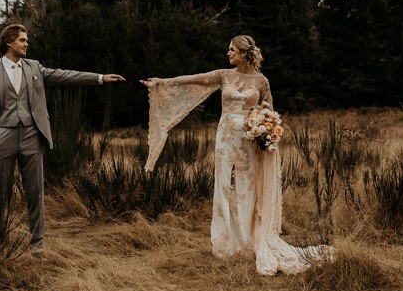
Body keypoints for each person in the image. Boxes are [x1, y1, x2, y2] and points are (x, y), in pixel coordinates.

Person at [139, 34, 333, 275]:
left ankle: (246, 238)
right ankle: (225, 242)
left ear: (243, 53)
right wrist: (160, 82)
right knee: (223, 186)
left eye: (231, 50)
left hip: (249, 140)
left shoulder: (262, 81)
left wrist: (266, 131)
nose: (228, 53)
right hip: (225, 139)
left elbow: (269, 110)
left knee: (245, 187)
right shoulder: (224, 75)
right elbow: (193, 81)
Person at [0, 23, 125, 254]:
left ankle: (37, 247)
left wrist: (100, 78)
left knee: (35, 192)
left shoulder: (34, 68)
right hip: (2, 137)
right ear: (9, 41)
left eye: (26, 40)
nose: (26, 44)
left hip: (32, 135)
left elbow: (66, 76)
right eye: (22, 40)